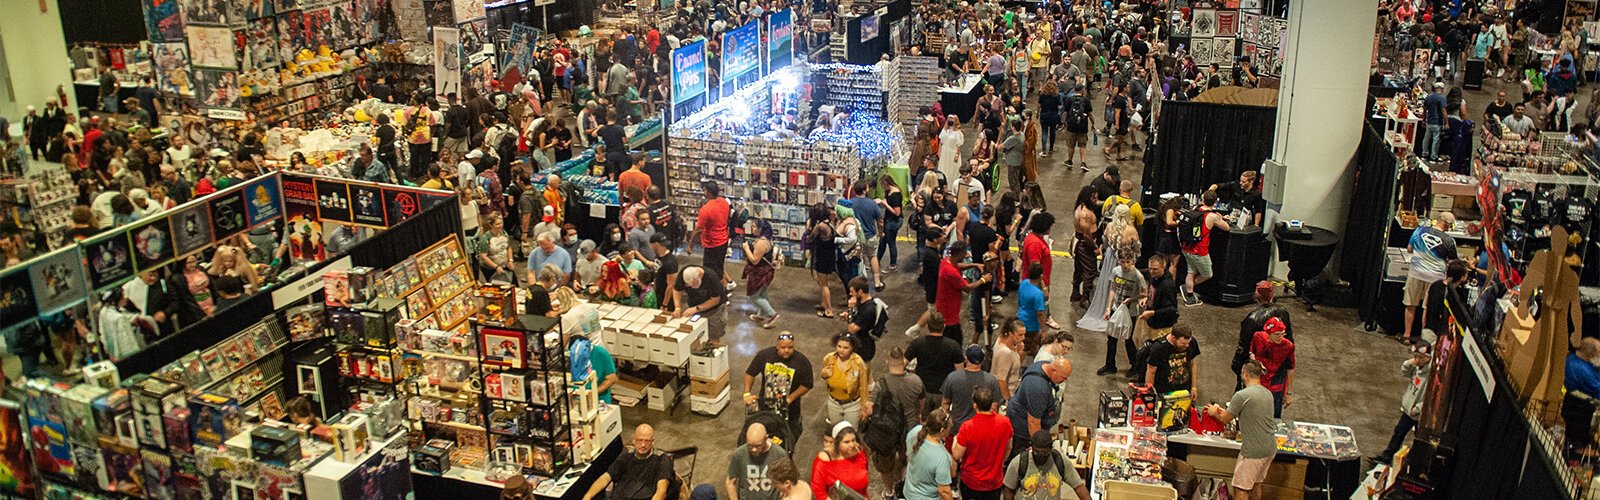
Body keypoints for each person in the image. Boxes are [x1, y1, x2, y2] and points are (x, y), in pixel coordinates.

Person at [1202, 361, 1278, 500]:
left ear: (1245, 374)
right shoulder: (1267, 393)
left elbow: (1225, 418)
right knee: (1256, 484)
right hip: (1270, 448)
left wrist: (1214, 411)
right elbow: (1246, 411)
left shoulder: (1242, 395)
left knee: (1241, 488)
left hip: (1253, 451)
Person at [743, 332, 814, 440]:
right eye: (783, 347)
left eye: (790, 347)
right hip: (765, 408)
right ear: (777, 346)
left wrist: (791, 398)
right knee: (763, 437)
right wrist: (747, 393)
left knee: (788, 440)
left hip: (790, 412)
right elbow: (750, 373)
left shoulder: (802, 362)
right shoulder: (764, 355)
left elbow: (807, 384)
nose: (786, 350)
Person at [1373, 341, 1433, 465]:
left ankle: (1413, 464)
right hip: (1409, 409)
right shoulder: (1417, 367)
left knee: (1419, 440)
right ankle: (1387, 456)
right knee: (1399, 432)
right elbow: (1405, 373)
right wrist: (1408, 363)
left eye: (1419, 357)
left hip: (1419, 413)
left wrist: (1419, 409)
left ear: (1427, 357)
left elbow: (1431, 396)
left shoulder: (1431, 375)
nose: (1416, 360)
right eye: (1415, 357)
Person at [1403, 212, 1457, 344]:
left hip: (1416, 272)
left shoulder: (1419, 230)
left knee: (1410, 304)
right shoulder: (1449, 241)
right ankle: (1424, 339)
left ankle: (1406, 335)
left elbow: (1409, 248)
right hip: (1435, 277)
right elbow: (1453, 262)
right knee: (1427, 308)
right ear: (1448, 226)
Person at [581, 424, 672, 500]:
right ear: (634, 440)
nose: (643, 445)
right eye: (639, 440)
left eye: (647, 441)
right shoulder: (626, 455)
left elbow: (661, 491)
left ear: (653, 442)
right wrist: (587, 496)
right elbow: (606, 477)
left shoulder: (661, 459)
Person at [953, 386, 1011, 500]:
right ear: (991, 404)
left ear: (975, 405)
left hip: (972, 482)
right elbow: (1008, 448)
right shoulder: (1005, 423)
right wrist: (998, 462)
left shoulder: (967, 427)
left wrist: (955, 439)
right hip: (994, 481)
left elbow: (957, 455)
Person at [1006, 357, 1072, 455]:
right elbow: (1033, 422)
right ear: (1053, 370)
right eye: (1063, 377)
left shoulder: (1045, 365)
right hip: (1023, 430)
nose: (1065, 380)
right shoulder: (1037, 388)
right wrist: (1037, 447)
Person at [1234, 281, 1293, 386]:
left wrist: (1237, 366)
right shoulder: (1283, 312)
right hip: (1278, 367)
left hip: (1258, 367)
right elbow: (1289, 340)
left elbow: (1244, 347)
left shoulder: (1252, 319)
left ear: (1256, 295)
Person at [1179, 191, 1230, 305]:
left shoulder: (1195, 209)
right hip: (1199, 251)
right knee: (1207, 274)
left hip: (1187, 247)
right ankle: (1188, 288)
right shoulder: (1211, 216)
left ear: (1202, 200)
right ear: (1215, 202)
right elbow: (1226, 228)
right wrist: (1221, 218)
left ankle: (1189, 293)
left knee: (1191, 271)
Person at [1099, 250, 1145, 376]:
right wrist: (1108, 308)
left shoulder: (1137, 276)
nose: (1125, 265)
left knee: (1129, 340)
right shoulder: (1116, 271)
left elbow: (1144, 292)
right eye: (1122, 262)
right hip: (1116, 308)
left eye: (1128, 262)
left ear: (1133, 262)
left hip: (1130, 312)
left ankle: (1135, 366)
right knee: (1111, 338)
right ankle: (1110, 365)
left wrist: (1133, 299)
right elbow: (1113, 289)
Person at [937, 241, 991, 344]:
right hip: (949, 313)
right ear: (959, 254)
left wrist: (974, 265)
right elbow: (967, 287)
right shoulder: (950, 272)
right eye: (964, 253)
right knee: (955, 341)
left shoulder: (946, 261)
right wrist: (983, 280)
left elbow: (958, 265)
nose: (966, 255)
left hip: (946, 307)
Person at [727, 423, 789, 500]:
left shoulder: (779, 454)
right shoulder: (739, 454)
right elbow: (730, 482)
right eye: (750, 445)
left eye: (758, 446)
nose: (754, 449)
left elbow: (787, 482)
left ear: (766, 438)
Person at [821, 332, 871, 428]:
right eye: (839, 346)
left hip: (852, 405)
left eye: (846, 348)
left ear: (852, 348)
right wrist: (824, 373)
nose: (841, 350)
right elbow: (824, 376)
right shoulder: (829, 358)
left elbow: (863, 387)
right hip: (833, 403)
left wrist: (864, 408)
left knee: (850, 433)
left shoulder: (858, 363)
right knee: (836, 432)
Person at [904, 409, 955, 500]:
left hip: (908, 492)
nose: (951, 428)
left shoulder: (914, 432)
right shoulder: (942, 457)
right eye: (950, 427)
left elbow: (908, 456)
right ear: (942, 430)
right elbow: (944, 491)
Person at [1248, 318, 1295, 417]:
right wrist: (1255, 361)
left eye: (1282, 334)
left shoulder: (1288, 346)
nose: (1280, 337)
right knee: (1252, 414)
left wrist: (1289, 393)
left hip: (1275, 387)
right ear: (1269, 333)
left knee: (1273, 417)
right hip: (1257, 382)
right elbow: (1251, 351)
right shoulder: (1258, 337)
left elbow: (1290, 368)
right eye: (1277, 334)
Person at [810, 422, 870, 500]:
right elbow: (818, 491)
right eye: (846, 442)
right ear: (837, 443)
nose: (852, 445)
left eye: (853, 440)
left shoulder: (859, 452)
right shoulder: (824, 460)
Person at [672, 265, 727, 346]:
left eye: (694, 284)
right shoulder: (685, 273)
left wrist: (697, 308)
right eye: (689, 286)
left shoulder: (711, 277)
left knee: (713, 336)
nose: (693, 287)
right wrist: (677, 308)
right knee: (695, 335)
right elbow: (676, 290)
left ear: (699, 275)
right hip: (694, 308)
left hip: (714, 310)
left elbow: (715, 300)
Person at [1144, 325, 1201, 397]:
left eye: (1188, 342)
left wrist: (1194, 388)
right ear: (1173, 338)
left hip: (1184, 391)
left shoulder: (1192, 342)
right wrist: (1150, 394)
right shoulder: (1159, 348)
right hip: (1164, 392)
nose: (1187, 346)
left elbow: (1193, 364)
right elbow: (1151, 371)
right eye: (1183, 344)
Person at [694, 182, 732, 286]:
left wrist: (690, 245)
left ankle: (721, 294)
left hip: (712, 244)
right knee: (719, 268)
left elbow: (698, 229)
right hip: (723, 241)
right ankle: (722, 291)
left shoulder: (705, 209)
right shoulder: (724, 202)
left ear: (708, 192)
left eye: (704, 190)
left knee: (713, 271)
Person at [743, 221, 780, 328]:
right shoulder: (764, 240)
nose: (752, 228)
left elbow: (755, 260)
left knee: (753, 295)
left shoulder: (762, 243)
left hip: (759, 273)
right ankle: (761, 314)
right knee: (762, 293)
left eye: (754, 226)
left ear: (760, 229)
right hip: (764, 271)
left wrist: (746, 249)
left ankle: (771, 314)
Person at [845, 277, 887, 362]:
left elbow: (852, 329)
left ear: (860, 291)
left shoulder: (869, 310)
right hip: (858, 343)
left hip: (863, 349)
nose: (850, 294)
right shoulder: (861, 301)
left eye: (852, 292)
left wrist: (850, 310)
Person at [991, 319, 1025, 401]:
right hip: (1007, 393)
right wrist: (1008, 400)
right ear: (1011, 334)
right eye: (1020, 335)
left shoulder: (1002, 339)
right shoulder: (1006, 353)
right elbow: (1001, 380)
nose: (1023, 338)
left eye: (1024, 334)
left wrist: (1019, 351)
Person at [1422, 82, 1448, 161]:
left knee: (1426, 138)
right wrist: (1446, 122)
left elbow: (1424, 109)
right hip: (1437, 122)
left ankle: (1424, 153)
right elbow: (1444, 111)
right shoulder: (1442, 98)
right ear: (1442, 89)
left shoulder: (1428, 97)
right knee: (1435, 140)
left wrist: (1424, 119)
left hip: (1429, 121)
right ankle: (1433, 156)